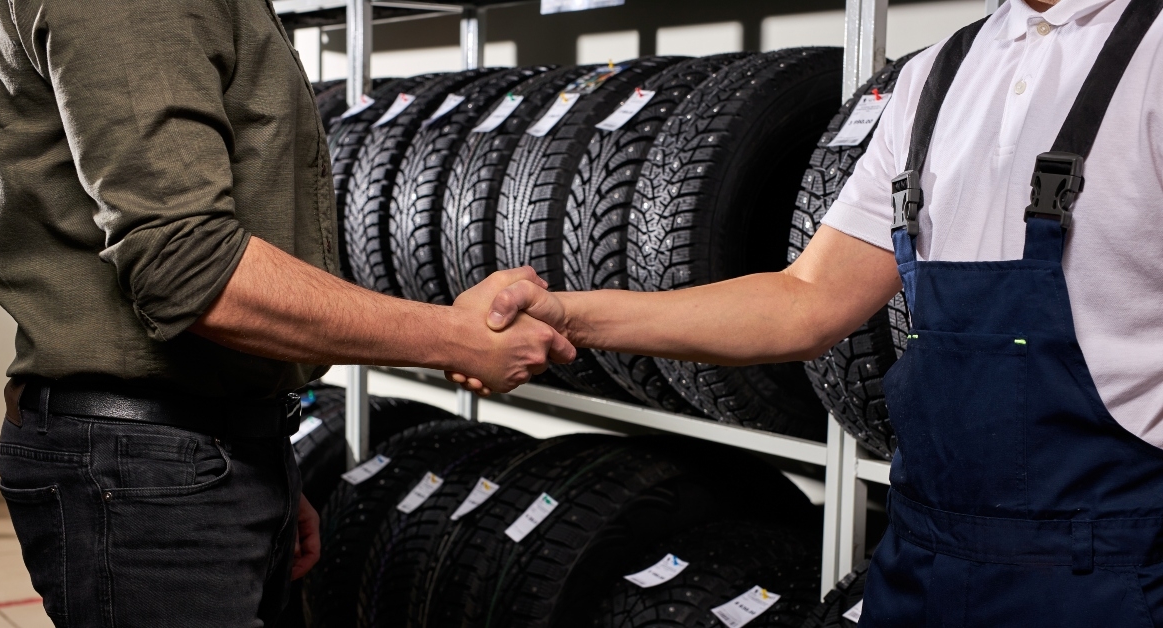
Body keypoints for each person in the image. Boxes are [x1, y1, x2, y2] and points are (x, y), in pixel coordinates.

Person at [467, 0, 1163, 623]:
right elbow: (805, 301)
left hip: (1108, 574)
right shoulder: (936, 76)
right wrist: (567, 316)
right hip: (921, 563)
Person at [0, 0, 573, 625]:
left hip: (195, 455)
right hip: (145, 472)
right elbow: (190, 266)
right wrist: (456, 338)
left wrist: (255, 464)